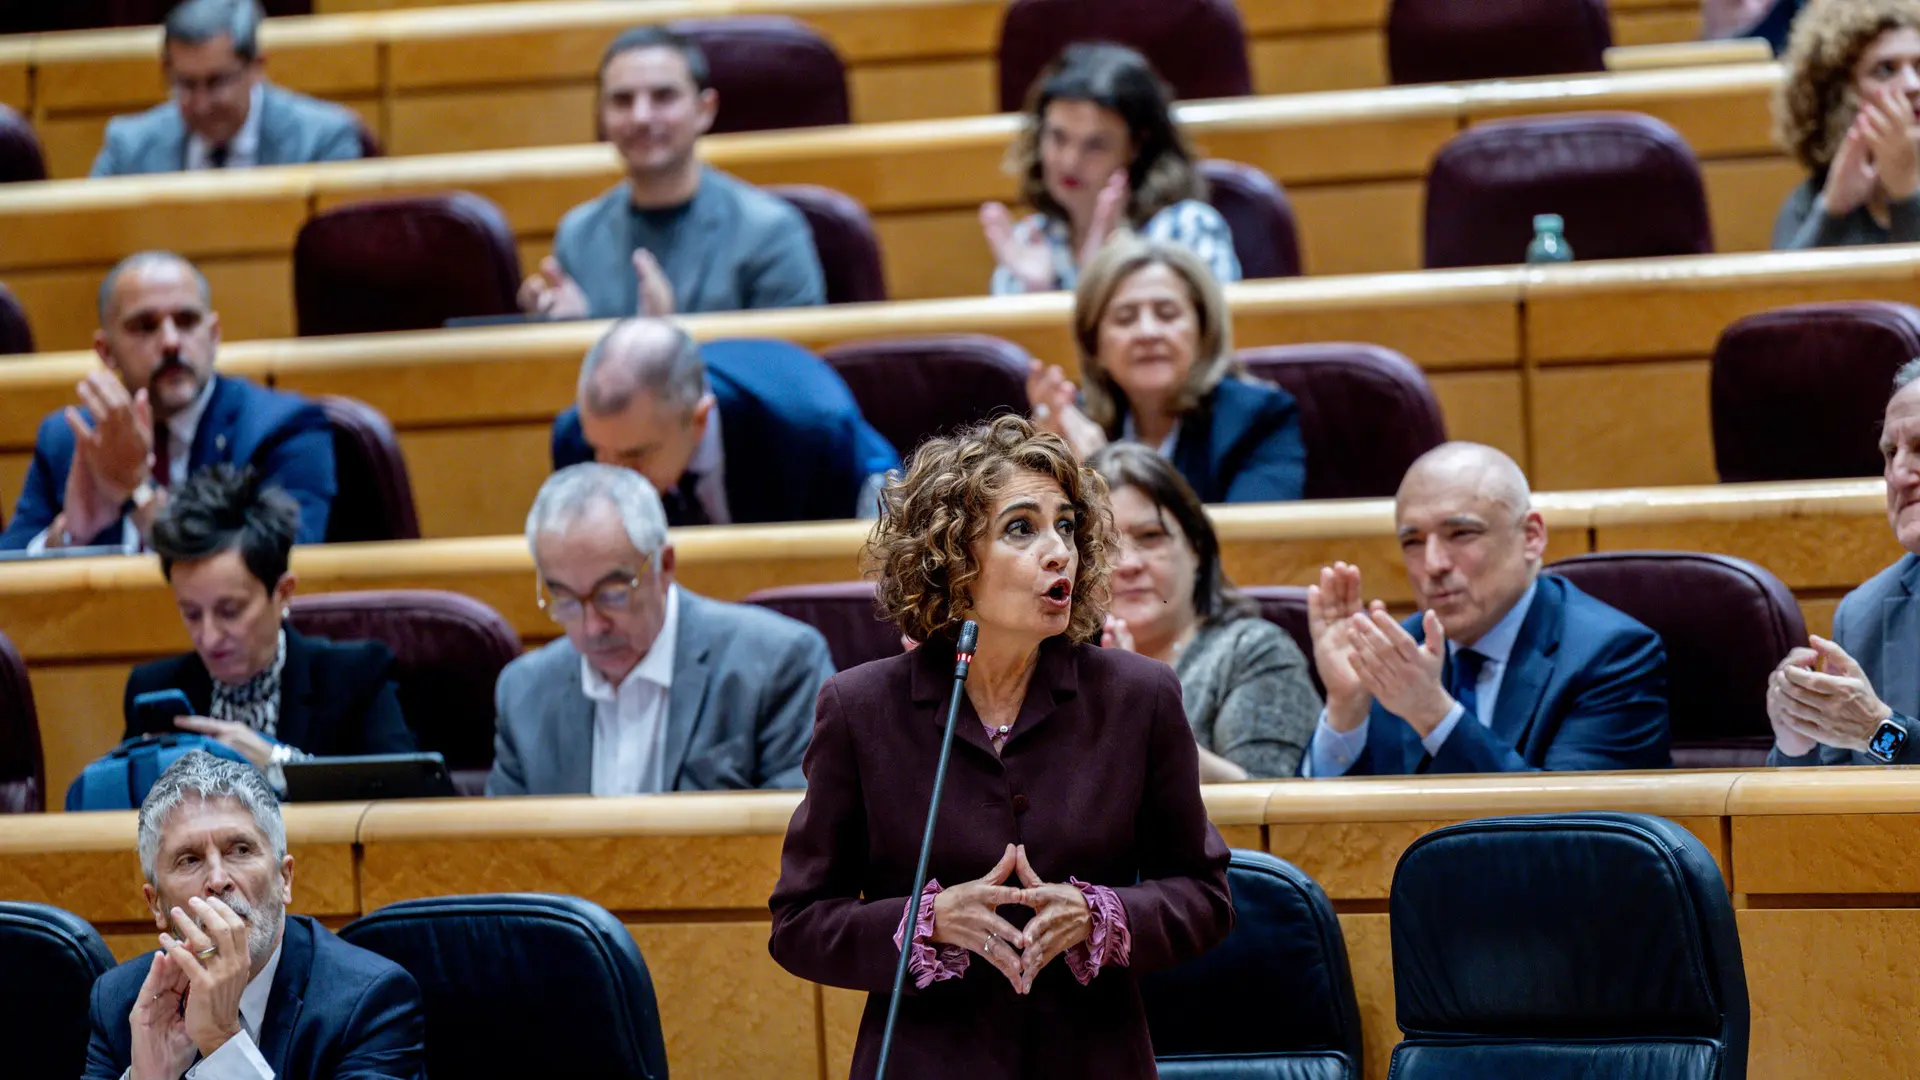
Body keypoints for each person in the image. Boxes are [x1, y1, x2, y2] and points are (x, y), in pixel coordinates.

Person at [768, 415, 1233, 1078]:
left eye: (1066, 527)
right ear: (953, 557)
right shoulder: (861, 709)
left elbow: (1205, 897)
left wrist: (1100, 914)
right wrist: (924, 923)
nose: (1058, 551)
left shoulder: (1138, 697)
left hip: (1094, 1060)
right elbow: (799, 923)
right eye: (1023, 528)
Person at [1302, 442, 1670, 776]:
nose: (1433, 564)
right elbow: (1331, 838)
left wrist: (1433, 714)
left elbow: (1571, 830)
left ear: (1531, 536)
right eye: (1413, 541)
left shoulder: (1610, 656)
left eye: (1461, 534)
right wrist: (1345, 709)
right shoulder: (1397, 653)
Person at [488, 463, 834, 795]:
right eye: (565, 599)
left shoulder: (778, 665)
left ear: (664, 566)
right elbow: (499, 851)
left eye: (612, 594)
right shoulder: (524, 694)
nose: (592, 627)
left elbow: (798, 838)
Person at [83, 751, 424, 1079]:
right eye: (189, 860)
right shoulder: (122, 1005)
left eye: (240, 850)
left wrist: (223, 1043)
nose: (218, 881)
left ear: (284, 878)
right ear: (155, 904)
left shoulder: (368, 1002)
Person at [0, 251, 335, 552]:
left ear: (213, 334)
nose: (172, 342)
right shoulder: (68, 438)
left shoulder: (282, 429)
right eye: (145, 327)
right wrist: (70, 535)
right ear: (106, 352)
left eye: (187, 321)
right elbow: (9, 578)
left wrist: (137, 489)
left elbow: (280, 563)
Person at [123, 466, 415, 782]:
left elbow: (409, 802)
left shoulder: (355, 677)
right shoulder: (154, 688)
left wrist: (278, 765)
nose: (208, 637)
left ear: (283, 593)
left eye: (230, 611)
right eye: (192, 614)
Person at [517, 26, 826, 319]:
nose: (641, 117)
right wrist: (570, 335)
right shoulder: (579, 235)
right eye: (622, 100)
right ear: (601, 116)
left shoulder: (770, 233)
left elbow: (786, 371)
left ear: (704, 110)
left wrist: (666, 342)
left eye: (663, 97)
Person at [1088, 442, 1319, 778]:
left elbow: (1267, 811)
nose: (1128, 564)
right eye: (1103, 546)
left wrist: (1149, 715)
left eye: (1150, 537)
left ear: (1197, 548)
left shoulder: (1251, 653)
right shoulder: (1057, 660)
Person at [1027, 234, 1304, 504]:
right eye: (1125, 318)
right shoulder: (1076, 423)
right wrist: (1041, 462)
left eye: (1167, 314)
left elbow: (1250, 546)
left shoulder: (1257, 419)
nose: (1148, 332)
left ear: (1203, 331)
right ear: (1094, 346)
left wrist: (1102, 474)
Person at [550, 319, 899, 526]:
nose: (611, 476)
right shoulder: (576, 439)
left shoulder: (813, 434)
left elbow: (883, 534)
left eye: (634, 456)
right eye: (600, 451)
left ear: (698, 420)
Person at [982, 42, 1239, 296]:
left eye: (1096, 145)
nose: (1070, 161)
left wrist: (1105, 276)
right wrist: (1038, 291)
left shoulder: (1186, 229)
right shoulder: (1029, 242)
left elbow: (1212, 333)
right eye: (1058, 138)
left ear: (1137, 146)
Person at [1767, 360, 1920, 765]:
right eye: (1890, 453)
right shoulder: (1863, 612)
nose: (1900, 474)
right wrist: (1797, 742)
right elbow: (1827, 809)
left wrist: (1881, 731)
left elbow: (1877, 734)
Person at [90, 0, 365, 178]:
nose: (201, 104)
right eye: (185, 84)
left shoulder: (321, 142)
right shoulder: (128, 149)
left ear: (257, 67)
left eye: (216, 82)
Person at [1771, 0, 1920, 249]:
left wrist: (1907, 197)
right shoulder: (1810, 201)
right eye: (1885, 70)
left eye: (1919, 67)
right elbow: (1788, 288)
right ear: (1838, 96)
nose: (1913, 85)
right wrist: (1832, 211)